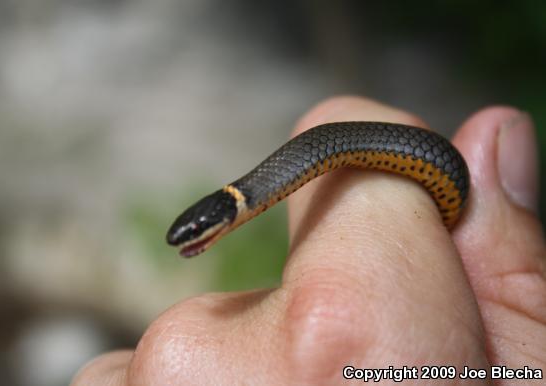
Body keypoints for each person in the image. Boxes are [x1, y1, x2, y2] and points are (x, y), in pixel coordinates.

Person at [72, 96, 545, 385]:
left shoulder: (259, 188)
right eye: (194, 232)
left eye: (195, 230)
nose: (191, 237)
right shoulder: (249, 195)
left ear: (220, 214)